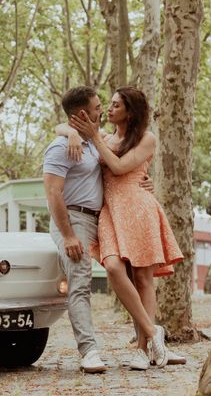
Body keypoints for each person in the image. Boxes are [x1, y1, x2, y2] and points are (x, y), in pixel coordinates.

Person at [62, 86, 184, 371]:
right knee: (114, 268)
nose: (109, 109)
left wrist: (93, 137)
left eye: (116, 105)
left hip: (138, 206)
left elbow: (118, 167)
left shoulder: (146, 138)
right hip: (110, 210)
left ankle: (142, 350)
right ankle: (155, 333)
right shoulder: (103, 135)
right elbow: (65, 123)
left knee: (143, 278)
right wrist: (71, 133)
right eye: (109, 104)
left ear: (131, 110)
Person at [43, 86, 156, 373]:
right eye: (97, 107)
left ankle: (148, 342)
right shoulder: (60, 147)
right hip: (74, 221)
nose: (102, 110)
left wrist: (144, 180)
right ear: (82, 113)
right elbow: (53, 194)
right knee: (80, 281)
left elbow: (120, 165)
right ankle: (89, 351)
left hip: (103, 217)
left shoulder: (94, 141)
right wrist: (68, 234)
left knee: (133, 274)